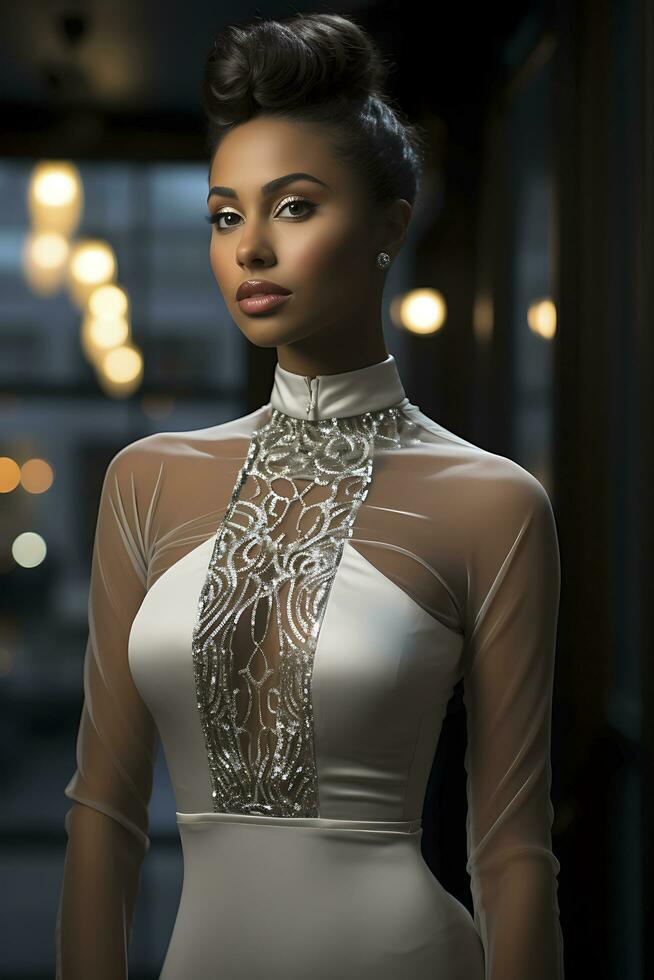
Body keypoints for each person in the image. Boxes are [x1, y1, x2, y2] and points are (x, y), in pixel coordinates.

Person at [55, 12, 564, 979]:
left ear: (388, 225)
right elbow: (102, 815)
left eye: (293, 207)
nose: (250, 247)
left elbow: (510, 852)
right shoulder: (147, 479)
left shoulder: (493, 504)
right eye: (225, 213)